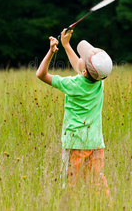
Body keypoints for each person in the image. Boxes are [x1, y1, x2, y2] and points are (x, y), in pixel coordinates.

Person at [36, 29, 113, 196]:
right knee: (97, 184)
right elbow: (82, 68)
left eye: (83, 59)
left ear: (84, 71)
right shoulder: (100, 81)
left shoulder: (72, 84)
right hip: (96, 144)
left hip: (74, 145)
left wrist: (50, 52)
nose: (80, 59)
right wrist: (66, 45)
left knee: (70, 186)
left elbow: (40, 74)